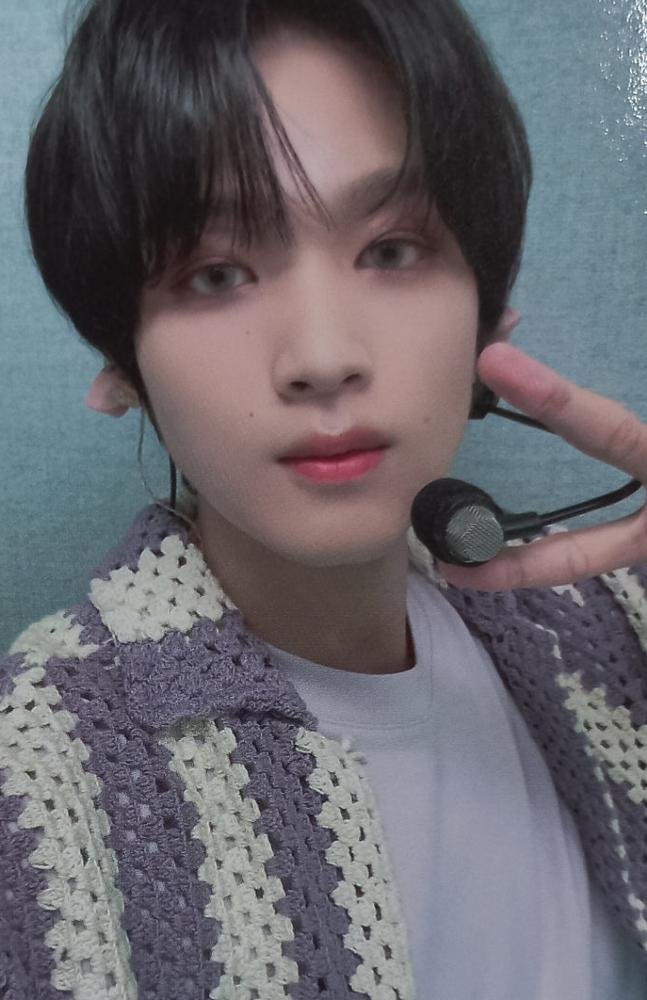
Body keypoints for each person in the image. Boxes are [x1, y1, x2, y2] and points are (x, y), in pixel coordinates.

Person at [2, 0, 647, 996]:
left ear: (487, 315)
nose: (323, 355)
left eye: (391, 250)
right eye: (215, 273)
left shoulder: (612, 629)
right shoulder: (41, 769)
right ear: (120, 364)